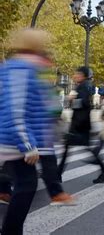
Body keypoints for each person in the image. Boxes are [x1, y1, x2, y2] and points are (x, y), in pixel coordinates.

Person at [0, 29, 55, 233]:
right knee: (26, 185)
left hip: (14, 140)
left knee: (25, 185)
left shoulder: (22, 67)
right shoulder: (21, 69)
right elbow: (16, 110)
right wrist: (28, 145)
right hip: (14, 142)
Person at [58, 66, 104, 184]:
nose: (75, 76)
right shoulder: (83, 86)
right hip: (80, 125)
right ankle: (58, 174)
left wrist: (72, 100)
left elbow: (83, 104)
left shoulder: (83, 87)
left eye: (77, 74)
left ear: (83, 75)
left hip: (80, 126)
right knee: (71, 148)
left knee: (73, 149)